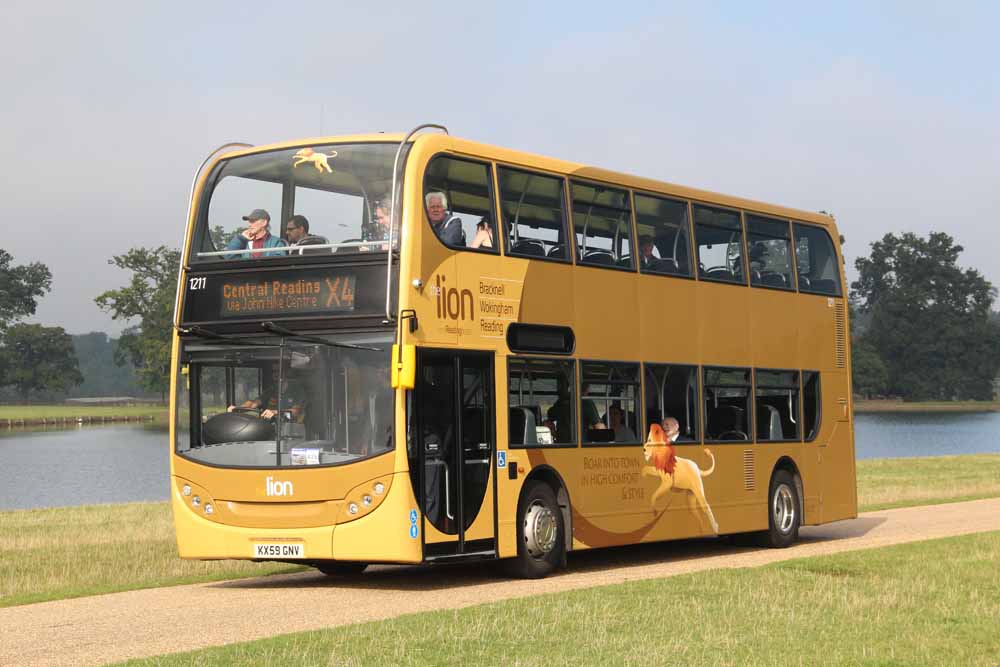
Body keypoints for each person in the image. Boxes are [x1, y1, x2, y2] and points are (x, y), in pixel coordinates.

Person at [228, 364, 305, 421]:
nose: (275, 374)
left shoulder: (297, 390)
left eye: (278, 371)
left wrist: (274, 412)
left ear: (286, 372)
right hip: (271, 429)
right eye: (273, 371)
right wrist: (238, 408)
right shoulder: (271, 390)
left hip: (293, 431)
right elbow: (254, 403)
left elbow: (296, 412)